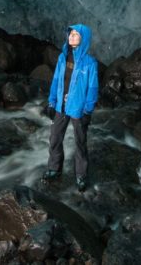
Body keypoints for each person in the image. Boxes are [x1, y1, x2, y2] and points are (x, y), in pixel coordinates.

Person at [43, 23, 99, 191]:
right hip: (61, 105)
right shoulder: (62, 57)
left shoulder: (89, 63)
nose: (72, 37)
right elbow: (56, 81)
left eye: (76, 35)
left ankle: (81, 175)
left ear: (84, 39)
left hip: (78, 109)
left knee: (80, 142)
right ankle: (54, 168)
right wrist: (52, 102)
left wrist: (87, 109)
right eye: (70, 34)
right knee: (54, 138)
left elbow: (93, 88)